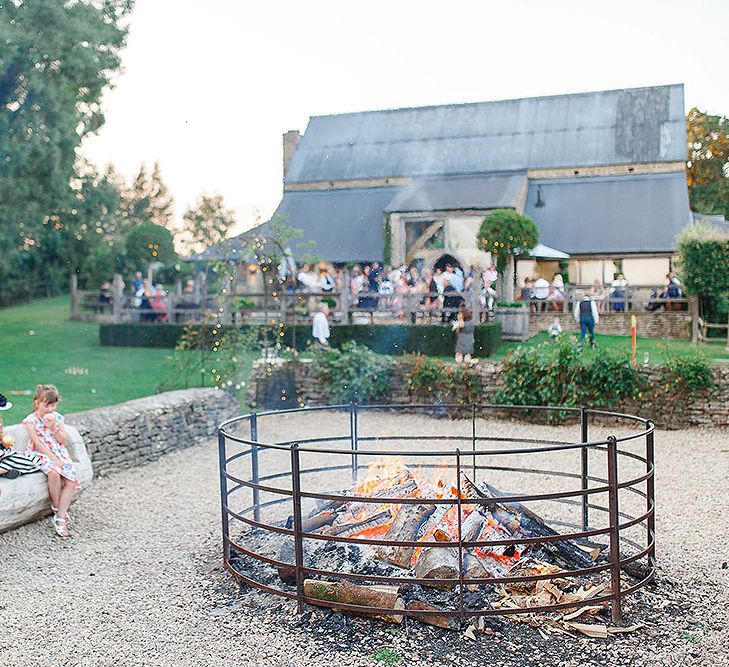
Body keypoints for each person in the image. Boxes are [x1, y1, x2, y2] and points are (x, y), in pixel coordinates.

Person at [23, 385, 80, 537]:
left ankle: (60, 517)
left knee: (71, 480)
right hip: (39, 453)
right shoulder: (30, 421)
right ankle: (56, 506)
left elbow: (64, 440)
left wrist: (54, 428)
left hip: (59, 451)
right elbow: (37, 442)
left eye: (53, 405)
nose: (50, 408)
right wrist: (53, 459)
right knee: (53, 473)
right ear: (37, 403)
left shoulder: (58, 418)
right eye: (47, 405)